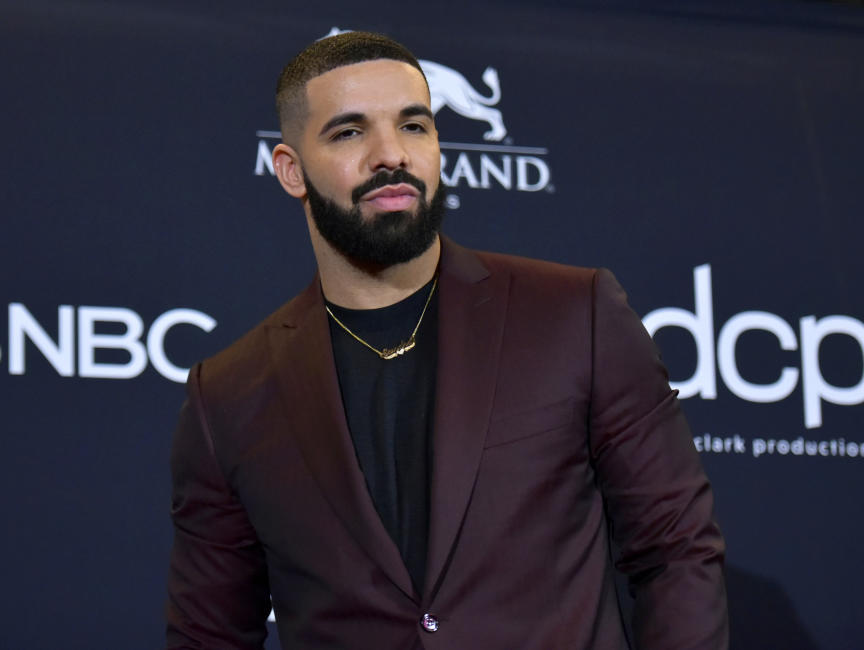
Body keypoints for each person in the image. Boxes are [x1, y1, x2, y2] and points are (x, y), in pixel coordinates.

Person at [166, 31, 728, 650]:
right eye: (349, 132)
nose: (391, 155)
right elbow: (209, 634)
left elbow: (676, 551)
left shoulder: (574, 315)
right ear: (290, 170)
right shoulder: (229, 395)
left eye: (414, 126)